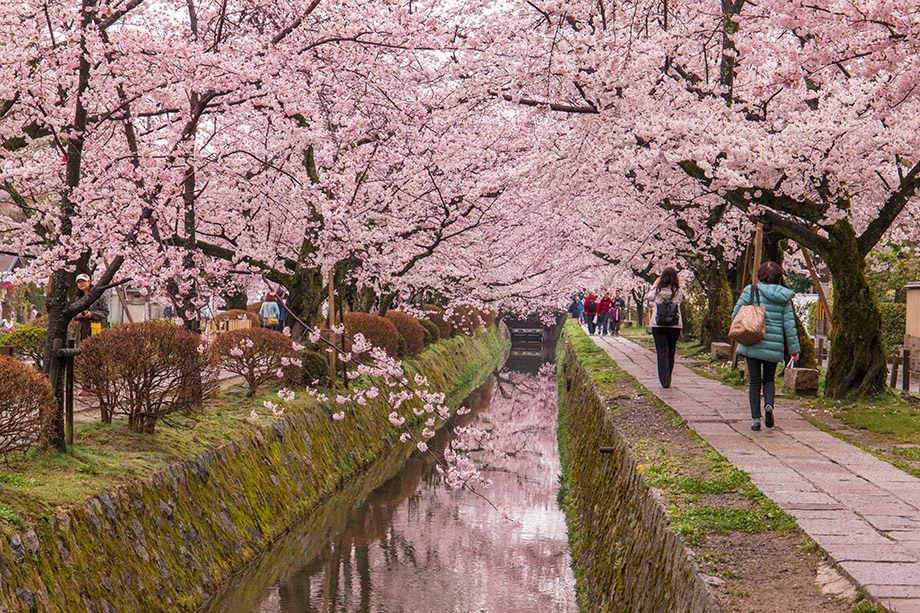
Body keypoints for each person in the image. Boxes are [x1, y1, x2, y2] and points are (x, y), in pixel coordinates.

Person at [732, 262, 800, 432]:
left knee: (754, 382)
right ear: (778, 278)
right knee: (769, 379)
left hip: (752, 341)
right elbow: (789, 326)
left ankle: (756, 419)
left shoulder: (751, 290)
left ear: (761, 275)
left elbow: (735, 314)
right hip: (774, 345)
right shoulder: (784, 297)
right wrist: (794, 349)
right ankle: (769, 405)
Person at [650, 267, 682, 388]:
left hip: (658, 323)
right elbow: (680, 300)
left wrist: (656, 284)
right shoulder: (677, 289)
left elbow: (649, 297)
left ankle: (664, 380)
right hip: (674, 324)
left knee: (662, 351)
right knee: (671, 350)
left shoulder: (658, 289)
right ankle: (668, 375)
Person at [73, 273, 109, 346]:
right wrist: (78, 316)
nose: (81, 284)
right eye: (79, 282)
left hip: (97, 327)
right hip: (82, 329)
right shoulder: (78, 298)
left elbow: (105, 312)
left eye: (83, 281)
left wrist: (91, 314)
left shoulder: (99, 296)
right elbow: (73, 315)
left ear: (89, 282)